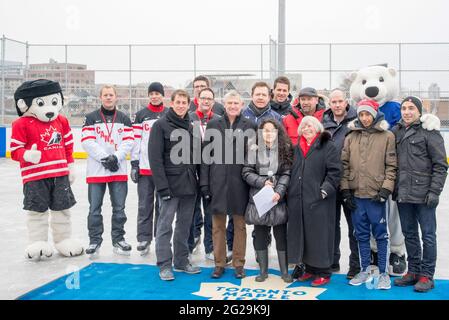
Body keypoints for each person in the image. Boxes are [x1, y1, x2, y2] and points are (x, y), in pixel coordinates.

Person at [392, 96, 447, 292]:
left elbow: (441, 166)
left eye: (411, 108)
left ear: (419, 111)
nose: (407, 112)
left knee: (428, 235)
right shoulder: (396, 131)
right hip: (403, 193)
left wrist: (435, 191)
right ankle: (413, 271)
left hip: (424, 194)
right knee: (409, 234)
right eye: (404, 108)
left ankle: (426, 275)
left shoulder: (429, 132)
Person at [340, 99, 397, 290]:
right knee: (361, 235)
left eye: (368, 114)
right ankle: (364, 269)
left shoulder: (387, 136)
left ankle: (383, 273)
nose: (364, 118)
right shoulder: (351, 137)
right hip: (357, 195)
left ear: (375, 114)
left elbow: (391, 166)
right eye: (361, 114)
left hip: (376, 196)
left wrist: (385, 189)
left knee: (381, 235)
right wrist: (346, 190)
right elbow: (344, 165)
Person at [200, 90, 257, 279]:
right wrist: (205, 185)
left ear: (242, 105)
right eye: (230, 103)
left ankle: (239, 264)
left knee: (240, 226)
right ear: (224, 105)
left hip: (240, 183)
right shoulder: (214, 124)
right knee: (218, 226)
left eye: (236, 103)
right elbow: (205, 157)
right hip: (217, 183)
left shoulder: (250, 125)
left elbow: (254, 157)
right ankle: (219, 263)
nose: (233, 106)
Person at [149, 89, 200, 281]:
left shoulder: (191, 126)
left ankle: (181, 260)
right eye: (177, 102)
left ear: (188, 105)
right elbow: (155, 159)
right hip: (169, 186)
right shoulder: (160, 125)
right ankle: (164, 264)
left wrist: (199, 183)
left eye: (184, 103)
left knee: (184, 226)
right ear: (172, 103)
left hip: (189, 185)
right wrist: (162, 187)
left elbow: (197, 157)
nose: (180, 105)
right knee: (165, 226)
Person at [287, 116, 341, 287]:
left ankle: (324, 271)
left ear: (318, 128)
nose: (307, 128)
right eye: (304, 126)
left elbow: (335, 172)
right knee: (304, 235)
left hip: (319, 200)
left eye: (310, 125)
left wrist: (324, 190)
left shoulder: (327, 146)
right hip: (298, 199)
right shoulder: (296, 148)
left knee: (320, 236)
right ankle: (309, 268)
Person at [81, 85, 135, 256]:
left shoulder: (125, 118)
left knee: (119, 208)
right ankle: (94, 240)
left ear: (116, 97)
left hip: (117, 171)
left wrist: (116, 157)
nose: (108, 98)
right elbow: (87, 141)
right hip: (97, 171)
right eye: (105, 95)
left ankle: (118, 239)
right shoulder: (90, 118)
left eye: (111, 95)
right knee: (94, 208)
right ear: (100, 97)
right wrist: (106, 158)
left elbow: (129, 141)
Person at [242, 119, 293, 283]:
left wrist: (279, 190)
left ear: (278, 132)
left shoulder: (284, 149)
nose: (269, 133)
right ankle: (263, 271)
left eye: (272, 130)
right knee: (260, 235)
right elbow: (246, 171)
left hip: (278, 199)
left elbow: (287, 173)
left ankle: (284, 271)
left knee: (281, 235)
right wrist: (261, 182)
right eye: (265, 130)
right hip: (260, 198)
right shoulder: (253, 150)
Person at [322, 89, 360, 279]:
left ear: (346, 102)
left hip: (350, 183)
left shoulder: (356, 121)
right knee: (331, 224)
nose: (337, 105)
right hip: (330, 182)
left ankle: (355, 264)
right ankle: (332, 260)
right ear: (329, 103)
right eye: (333, 102)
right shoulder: (324, 123)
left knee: (354, 226)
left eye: (340, 101)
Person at [130, 82, 168, 256]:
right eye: (151, 93)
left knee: (163, 206)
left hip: (164, 171)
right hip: (145, 169)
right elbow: (136, 141)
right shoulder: (141, 115)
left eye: (157, 93)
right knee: (144, 205)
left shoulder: (168, 113)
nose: (154, 96)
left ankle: (160, 237)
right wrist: (134, 164)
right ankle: (144, 238)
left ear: (162, 95)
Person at [188, 87, 221, 260]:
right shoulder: (189, 118)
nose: (206, 101)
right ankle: (192, 241)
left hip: (211, 173)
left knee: (210, 212)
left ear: (213, 102)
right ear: (197, 100)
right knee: (192, 210)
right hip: (193, 172)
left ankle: (210, 246)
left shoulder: (218, 120)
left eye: (209, 98)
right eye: (203, 98)